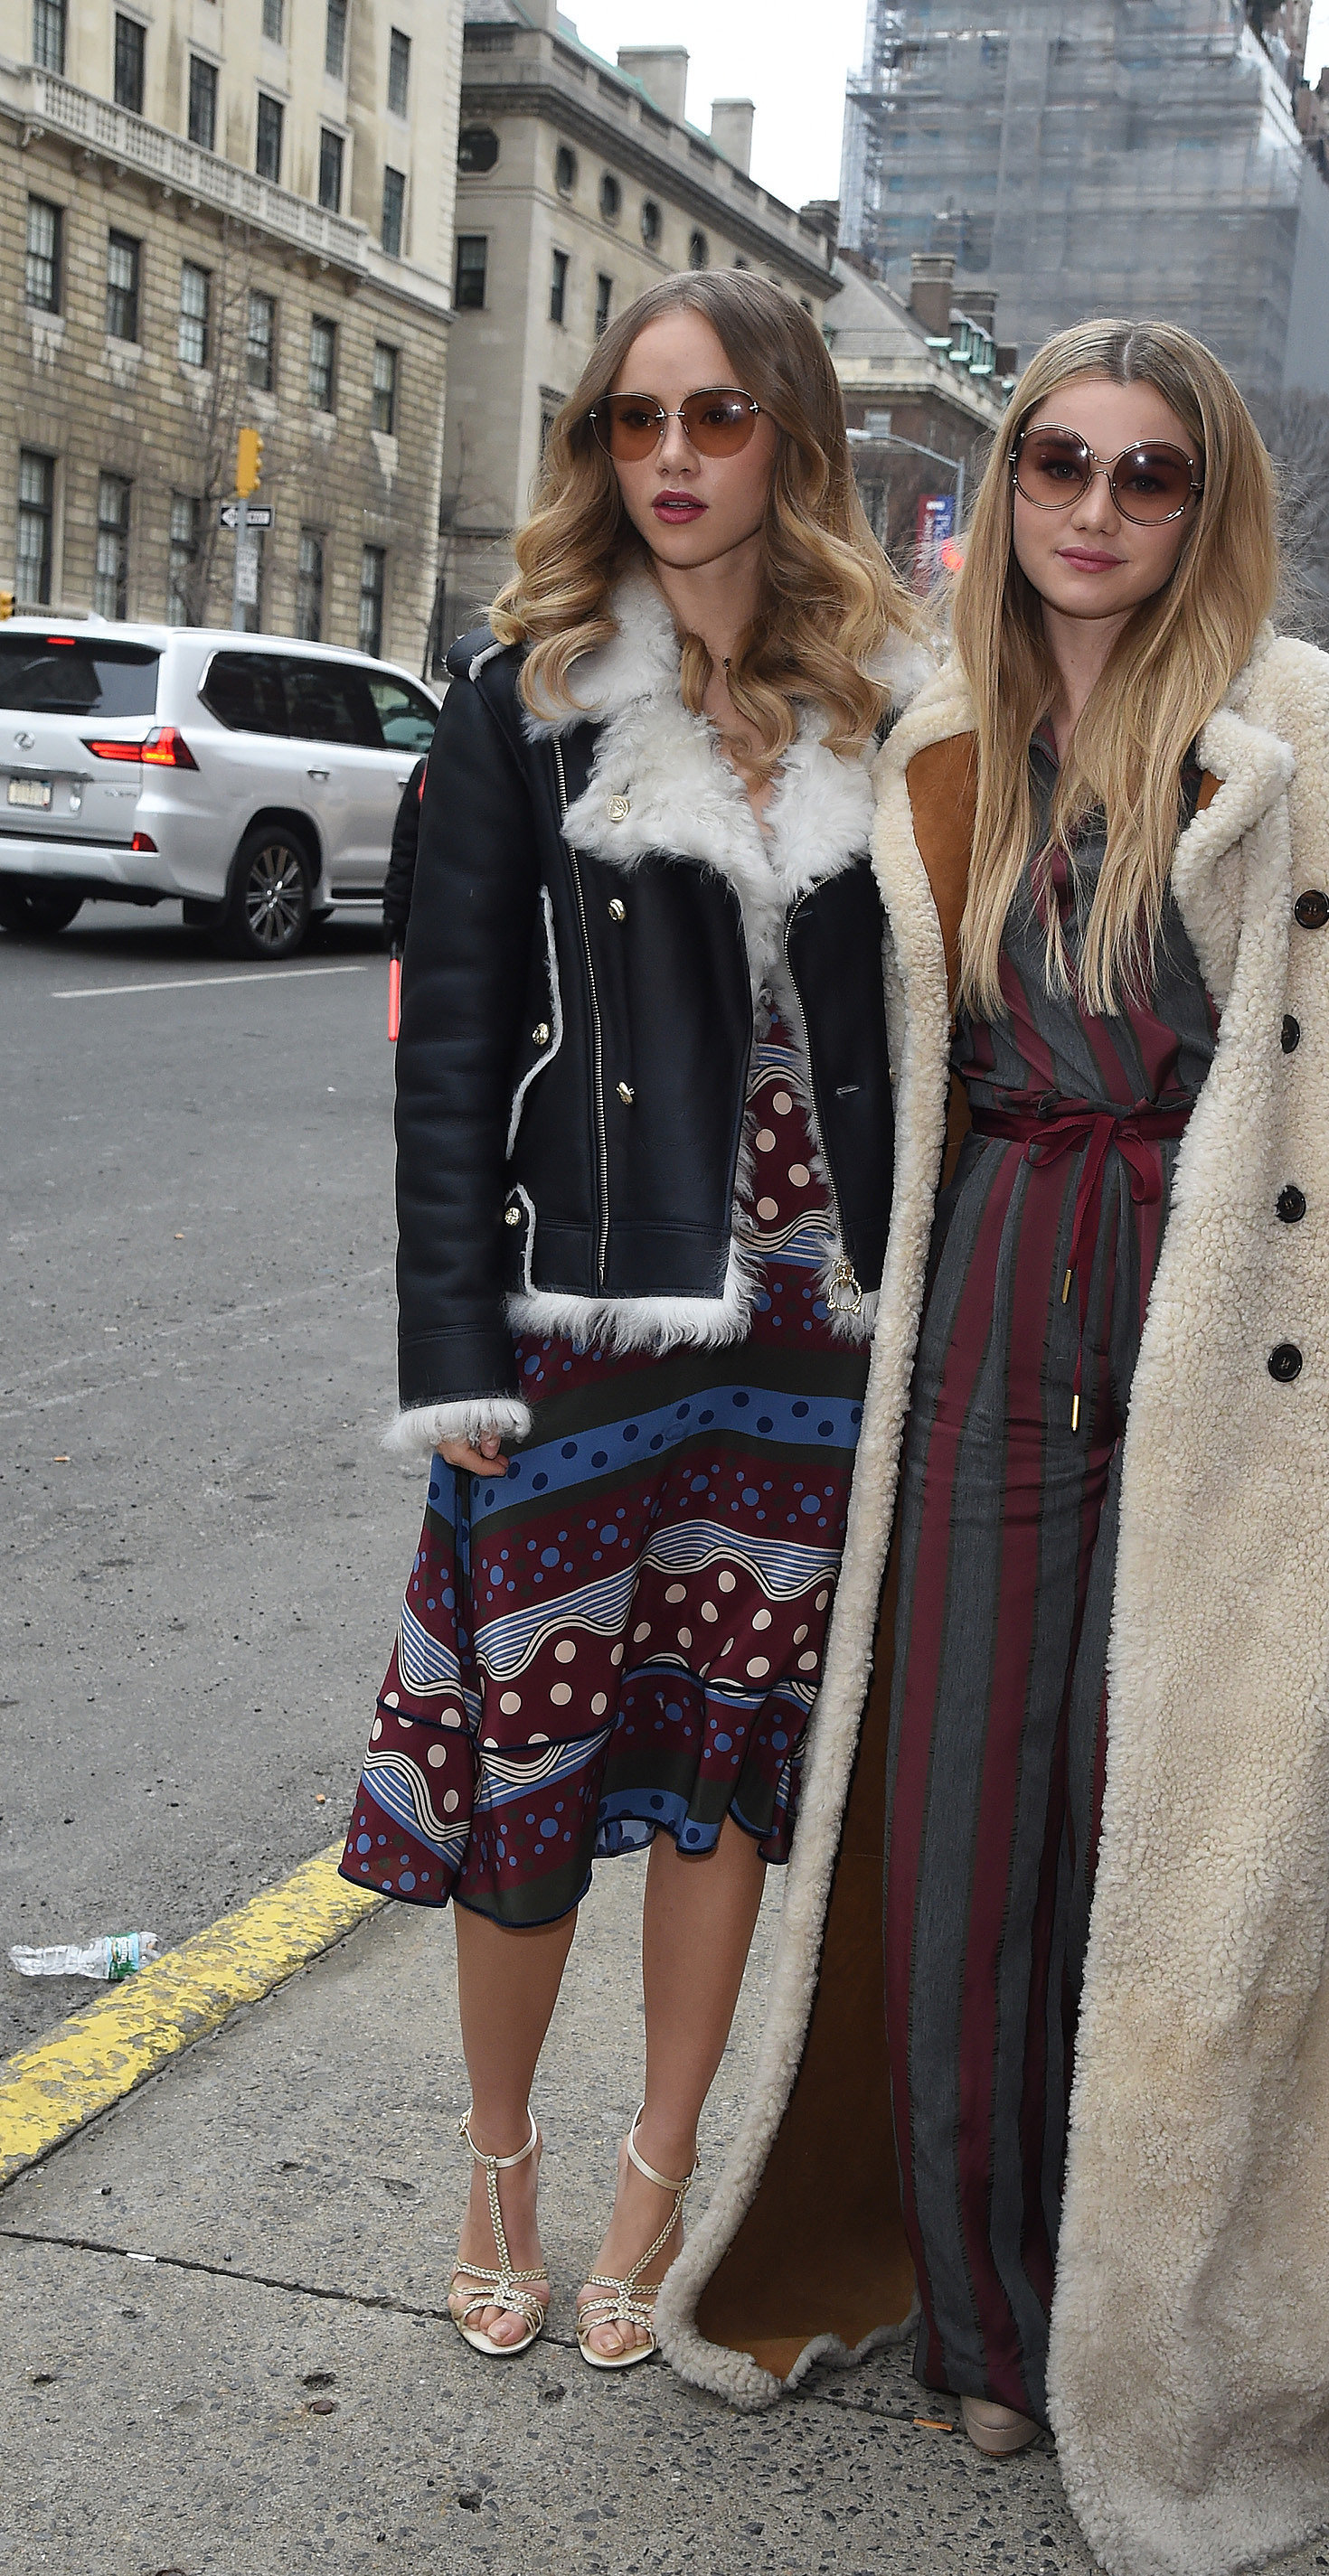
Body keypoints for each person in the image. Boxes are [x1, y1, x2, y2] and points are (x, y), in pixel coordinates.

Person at [659, 320, 1329, 2576]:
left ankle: (1159, 2327)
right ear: (1005, 485)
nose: (1095, 512)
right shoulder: (929, 734)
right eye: (1058, 468)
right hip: (997, 1277)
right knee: (955, 1819)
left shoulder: (1322, 738)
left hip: (1231, 1328)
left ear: (1200, 505)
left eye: (1145, 477)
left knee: (1175, 1831)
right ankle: (986, 2308)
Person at [340, 272, 922, 2368]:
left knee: (721, 1764)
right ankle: (497, 2148)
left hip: (810, 1341)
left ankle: (657, 2166)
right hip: (583, 1314)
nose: (670, 457)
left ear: (788, 440)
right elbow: (449, 1044)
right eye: (631, 422)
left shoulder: (886, 699)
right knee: (535, 1758)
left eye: (716, 418)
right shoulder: (525, 698)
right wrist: (447, 1348)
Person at [380, 754, 426, 956]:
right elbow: (407, 846)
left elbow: (406, 847)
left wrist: (395, 912)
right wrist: (395, 911)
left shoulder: (430, 769)